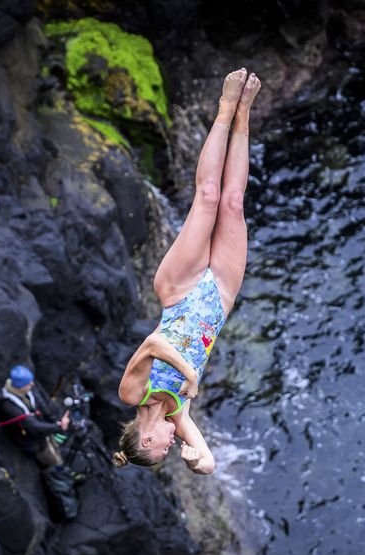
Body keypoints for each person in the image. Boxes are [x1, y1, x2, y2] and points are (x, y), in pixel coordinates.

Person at [114, 68, 262, 474]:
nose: (171, 446)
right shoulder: (177, 414)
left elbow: (153, 346)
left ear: (146, 439)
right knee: (233, 201)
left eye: (164, 450)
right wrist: (200, 461)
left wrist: (189, 378)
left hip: (179, 292)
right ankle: (245, 111)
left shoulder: (134, 394)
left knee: (209, 197)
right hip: (218, 301)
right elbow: (210, 464)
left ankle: (225, 107)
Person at [0, 365, 71, 467]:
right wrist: (58, 427)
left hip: (40, 429)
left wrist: (55, 421)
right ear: (20, 387)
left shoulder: (28, 389)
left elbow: (42, 406)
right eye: (28, 383)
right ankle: (53, 472)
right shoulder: (9, 405)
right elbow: (32, 427)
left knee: (58, 442)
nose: (32, 383)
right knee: (51, 460)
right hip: (29, 440)